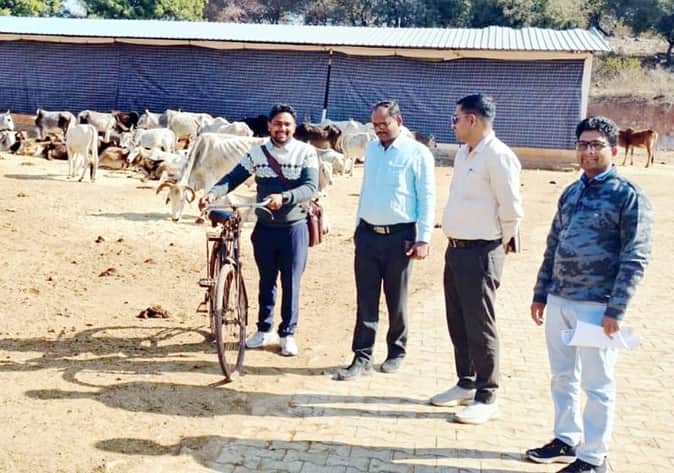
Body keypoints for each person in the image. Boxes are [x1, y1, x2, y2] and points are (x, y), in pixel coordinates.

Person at [526, 116, 653, 473]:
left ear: (614, 150)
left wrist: (617, 309)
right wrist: (541, 292)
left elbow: (636, 256)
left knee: (597, 384)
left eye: (597, 145)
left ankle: (594, 457)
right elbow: (554, 245)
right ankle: (566, 439)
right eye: (583, 144)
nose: (588, 151)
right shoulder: (571, 192)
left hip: (597, 306)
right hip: (560, 300)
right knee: (562, 376)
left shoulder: (628, 196)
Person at [430, 94, 523, 424]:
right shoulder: (464, 153)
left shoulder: (498, 156)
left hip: (481, 251)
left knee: (480, 323)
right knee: (457, 319)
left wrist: (506, 240)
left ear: (472, 119)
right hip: (456, 249)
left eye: (455, 119)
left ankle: (487, 394)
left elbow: (511, 205)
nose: (453, 125)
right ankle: (466, 381)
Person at [199, 103, 318, 357]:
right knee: (266, 281)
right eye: (277, 124)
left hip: (294, 229)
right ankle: (264, 330)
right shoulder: (257, 153)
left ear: (294, 127)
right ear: (269, 126)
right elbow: (233, 177)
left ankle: (287, 334)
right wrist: (213, 193)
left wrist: (284, 197)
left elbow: (310, 187)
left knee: (291, 282)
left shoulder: (306, 152)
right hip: (264, 229)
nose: (282, 128)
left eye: (287, 124)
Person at [335, 99, 436, 380]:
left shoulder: (417, 153)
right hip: (368, 235)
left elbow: (427, 197)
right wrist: (358, 227)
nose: (379, 129)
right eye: (375, 125)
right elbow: (367, 189)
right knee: (365, 298)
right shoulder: (372, 150)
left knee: (396, 298)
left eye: (384, 124)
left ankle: (396, 352)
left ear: (398, 121)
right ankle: (362, 356)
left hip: (400, 238)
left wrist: (424, 238)